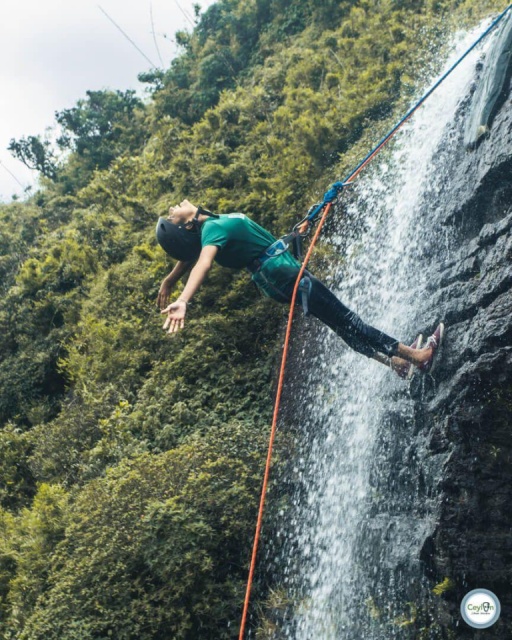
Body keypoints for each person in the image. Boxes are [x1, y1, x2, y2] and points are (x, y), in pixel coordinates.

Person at [156, 200, 444, 378]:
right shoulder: (211, 232)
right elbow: (202, 263)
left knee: (340, 324)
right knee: (347, 319)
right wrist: (183, 299)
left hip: (279, 272)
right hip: (282, 274)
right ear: (187, 228)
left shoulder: (212, 226)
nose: (173, 208)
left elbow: (190, 257)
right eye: (172, 217)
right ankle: (416, 357)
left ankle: (394, 364)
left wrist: (170, 279)